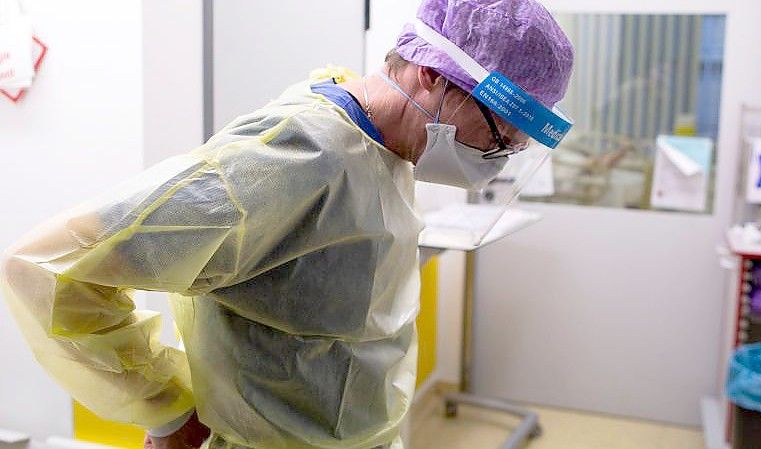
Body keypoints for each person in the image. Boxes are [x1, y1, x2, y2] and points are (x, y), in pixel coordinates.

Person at [0, 1, 574, 449]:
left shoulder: (387, 151)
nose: (497, 156)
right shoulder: (298, 158)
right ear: (432, 77)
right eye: (499, 134)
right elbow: (51, 269)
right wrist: (165, 406)